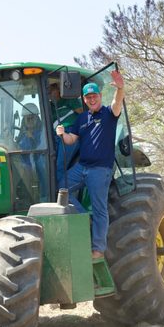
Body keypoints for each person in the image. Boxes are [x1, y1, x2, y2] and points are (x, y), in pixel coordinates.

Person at [56, 70, 125, 259]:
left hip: (100, 170)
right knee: (62, 187)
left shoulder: (109, 114)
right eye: (88, 97)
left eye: (94, 96)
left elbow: (117, 102)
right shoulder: (82, 119)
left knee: (100, 208)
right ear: (84, 100)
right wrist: (62, 134)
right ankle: (82, 219)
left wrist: (120, 88)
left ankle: (98, 250)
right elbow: (71, 140)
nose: (91, 99)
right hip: (82, 168)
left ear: (100, 97)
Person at [48, 82, 83, 189]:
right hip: (55, 135)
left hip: (70, 132)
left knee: (59, 166)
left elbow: (83, 114)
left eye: (51, 90)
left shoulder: (69, 99)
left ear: (58, 89)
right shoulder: (49, 106)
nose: (50, 93)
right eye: (48, 91)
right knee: (49, 165)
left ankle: (60, 193)